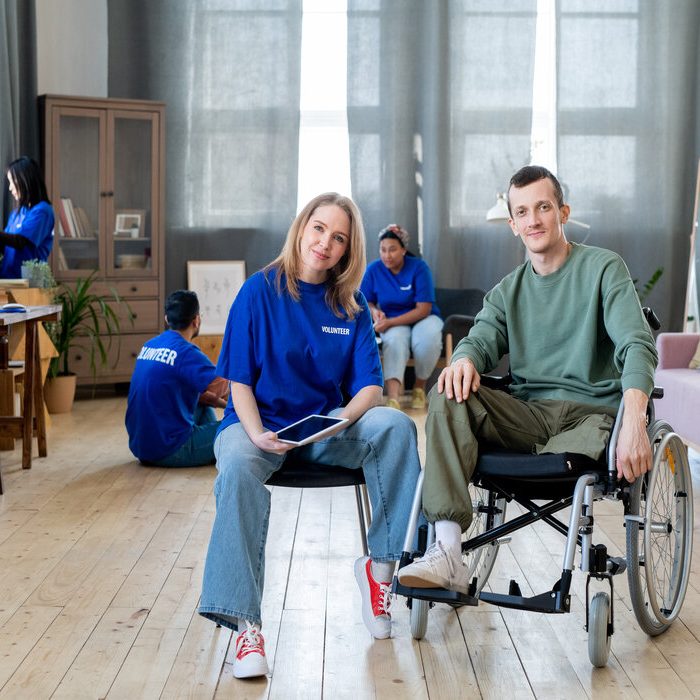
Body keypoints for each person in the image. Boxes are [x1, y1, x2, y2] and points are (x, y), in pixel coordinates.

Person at [398, 165, 658, 593]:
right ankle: (447, 553)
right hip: (529, 417)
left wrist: (635, 420)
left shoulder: (603, 268)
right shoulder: (507, 291)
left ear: (563, 212)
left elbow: (636, 344)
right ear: (513, 226)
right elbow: (479, 339)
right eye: (522, 212)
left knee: (575, 443)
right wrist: (463, 360)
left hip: (590, 417)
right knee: (448, 387)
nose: (533, 219)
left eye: (543, 207)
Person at [198, 193, 421, 679]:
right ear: (302, 228)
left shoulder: (352, 304)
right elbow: (237, 378)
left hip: (323, 428)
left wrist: (343, 419)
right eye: (318, 229)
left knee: (396, 427)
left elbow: (370, 388)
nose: (325, 243)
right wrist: (256, 434)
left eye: (338, 237)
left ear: (347, 249)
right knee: (235, 465)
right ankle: (245, 628)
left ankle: (379, 572)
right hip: (255, 425)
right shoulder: (259, 290)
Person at [125, 290, 229, 467]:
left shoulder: (150, 345)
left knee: (201, 402)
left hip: (142, 447)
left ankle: (213, 445)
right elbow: (225, 387)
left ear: (167, 319)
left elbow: (205, 395)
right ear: (196, 320)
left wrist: (222, 405)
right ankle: (216, 445)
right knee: (240, 428)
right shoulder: (186, 352)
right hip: (170, 450)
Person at [360, 224, 442, 410]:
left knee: (427, 338)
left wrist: (389, 322)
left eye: (392, 250)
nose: (387, 255)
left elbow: (423, 309)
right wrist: (374, 311)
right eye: (383, 250)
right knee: (394, 339)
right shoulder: (373, 270)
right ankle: (394, 397)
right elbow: (366, 301)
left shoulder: (419, 268)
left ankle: (419, 388)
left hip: (424, 317)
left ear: (404, 250)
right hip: (393, 319)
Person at [1, 156, 54, 278]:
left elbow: (20, 242)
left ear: (25, 179)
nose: (10, 188)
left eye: (12, 181)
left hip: (30, 280)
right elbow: (5, 245)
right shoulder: (16, 214)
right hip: (9, 277)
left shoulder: (43, 211)